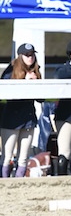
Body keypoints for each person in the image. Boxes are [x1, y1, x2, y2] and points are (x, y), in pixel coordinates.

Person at [1, 43, 42, 177]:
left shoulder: (36, 71)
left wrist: (36, 84)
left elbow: (41, 99)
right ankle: (4, 182)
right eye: (27, 55)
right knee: (7, 156)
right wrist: (24, 81)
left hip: (28, 119)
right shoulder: (10, 71)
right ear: (20, 56)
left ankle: (19, 183)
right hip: (11, 120)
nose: (30, 58)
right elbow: (8, 96)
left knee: (23, 157)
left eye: (32, 55)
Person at [53, 38, 71, 174]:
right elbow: (59, 76)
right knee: (65, 151)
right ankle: (62, 179)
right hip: (66, 116)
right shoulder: (63, 69)